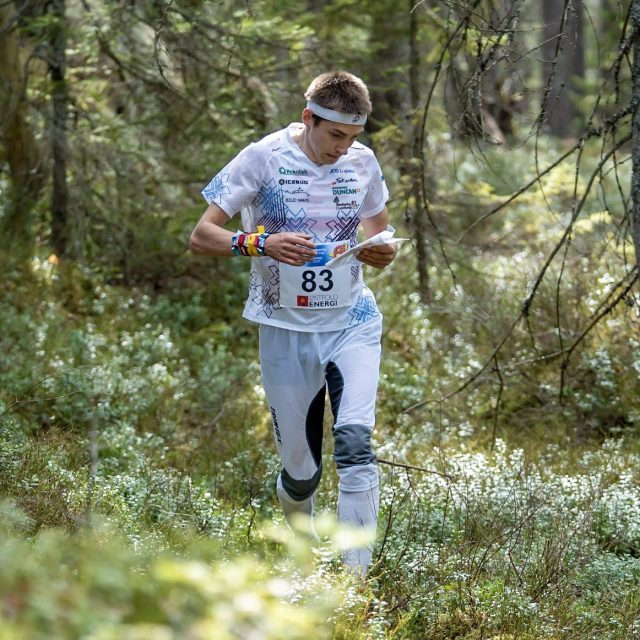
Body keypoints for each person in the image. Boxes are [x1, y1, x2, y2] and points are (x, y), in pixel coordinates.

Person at [190, 70, 397, 577]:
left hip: (352, 321)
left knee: (354, 442)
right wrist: (260, 242)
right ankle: (303, 555)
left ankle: (355, 587)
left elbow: (382, 231)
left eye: (352, 138)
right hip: (285, 329)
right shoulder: (262, 157)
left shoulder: (362, 162)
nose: (343, 149)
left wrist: (381, 251)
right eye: (335, 136)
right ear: (309, 118)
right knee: (301, 472)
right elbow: (201, 236)